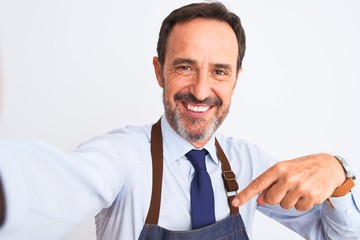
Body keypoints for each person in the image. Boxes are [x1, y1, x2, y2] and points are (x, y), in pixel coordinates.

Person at [0, 2, 359, 239]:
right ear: (160, 71)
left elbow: (335, 234)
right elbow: (60, 185)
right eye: (185, 67)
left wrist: (338, 175)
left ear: (235, 79)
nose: (201, 91)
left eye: (219, 71)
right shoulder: (123, 155)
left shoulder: (250, 164)